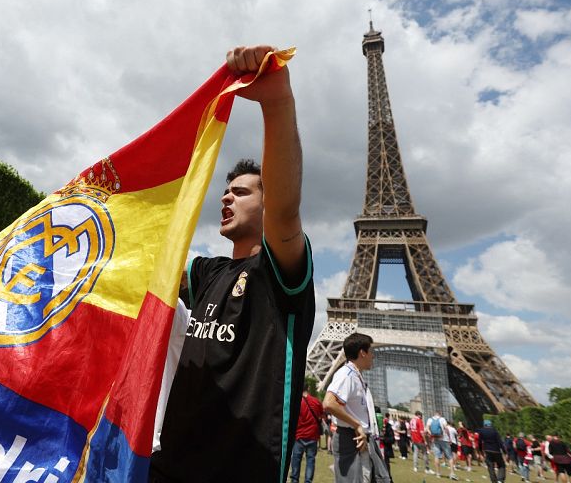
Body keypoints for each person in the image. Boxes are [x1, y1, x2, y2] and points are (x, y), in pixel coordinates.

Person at [149, 46, 315, 483]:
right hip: (167, 467)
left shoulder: (279, 276)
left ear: (266, 203)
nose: (226, 198)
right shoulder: (207, 273)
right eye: (226, 191)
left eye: (241, 192)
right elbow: (148, 267)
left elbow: (285, 209)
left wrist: (277, 103)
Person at [323, 333, 390, 483]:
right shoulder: (346, 374)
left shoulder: (356, 376)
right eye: (371, 351)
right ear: (362, 353)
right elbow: (328, 403)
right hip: (350, 438)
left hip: (358, 439)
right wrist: (357, 425)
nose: (373, 356)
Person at [290, 387, 324, 483]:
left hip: (299, 435)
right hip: (312, 435)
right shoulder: (316, 401)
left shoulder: (296, 402)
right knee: (310, 460)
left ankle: (294, 480)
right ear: (308, 388)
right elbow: (321, 415)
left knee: (296, 459)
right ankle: (308, 481)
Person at [427, 410, 458, 480]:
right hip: (444, 440)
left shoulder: (430, 419)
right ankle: (452, 473)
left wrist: (432, 435)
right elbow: (446, 428)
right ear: (440, 414)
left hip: (435, 440)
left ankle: (438, 473)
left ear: (434, 414)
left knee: (437, 457)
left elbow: (427, 428)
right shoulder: (442, 419)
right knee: (450, 457)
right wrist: (450, 438)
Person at [478, 419, 507, 483]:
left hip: (487, 450)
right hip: (496, 450)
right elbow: (500, 442)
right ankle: (500, 479)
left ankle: (493, 480)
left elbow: (479, 442)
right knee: (501, 465)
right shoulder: (495, 431)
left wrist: (480, 451)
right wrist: (504, 452)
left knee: (490, 466)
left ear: (484, 425)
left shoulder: (481, 431)